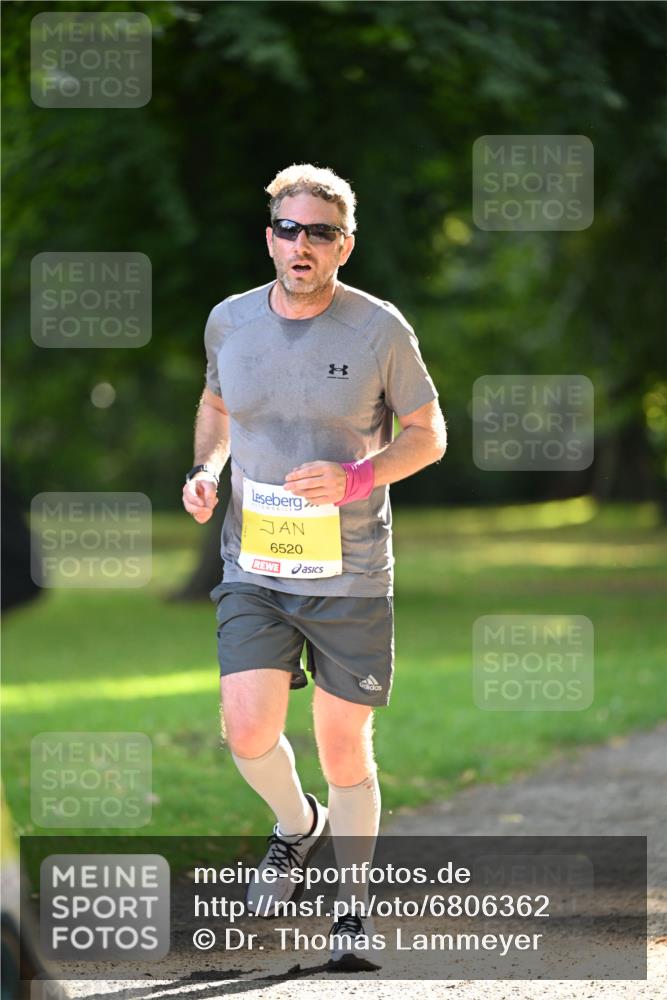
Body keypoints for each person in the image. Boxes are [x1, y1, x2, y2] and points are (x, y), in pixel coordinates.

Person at [182, 163, 446, 971]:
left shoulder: (378, 330)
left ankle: (352, 915)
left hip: (350, 571)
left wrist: (356, 478)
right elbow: (216, 407)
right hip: (254, 563)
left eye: (319, 233)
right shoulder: (229, 321)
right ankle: (297, 825)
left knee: (342, 747)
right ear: (269, 238)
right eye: (288, 229)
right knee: (245, 728)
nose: (301, 244)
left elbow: (428, 434)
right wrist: (206, 469)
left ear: (344, 245)